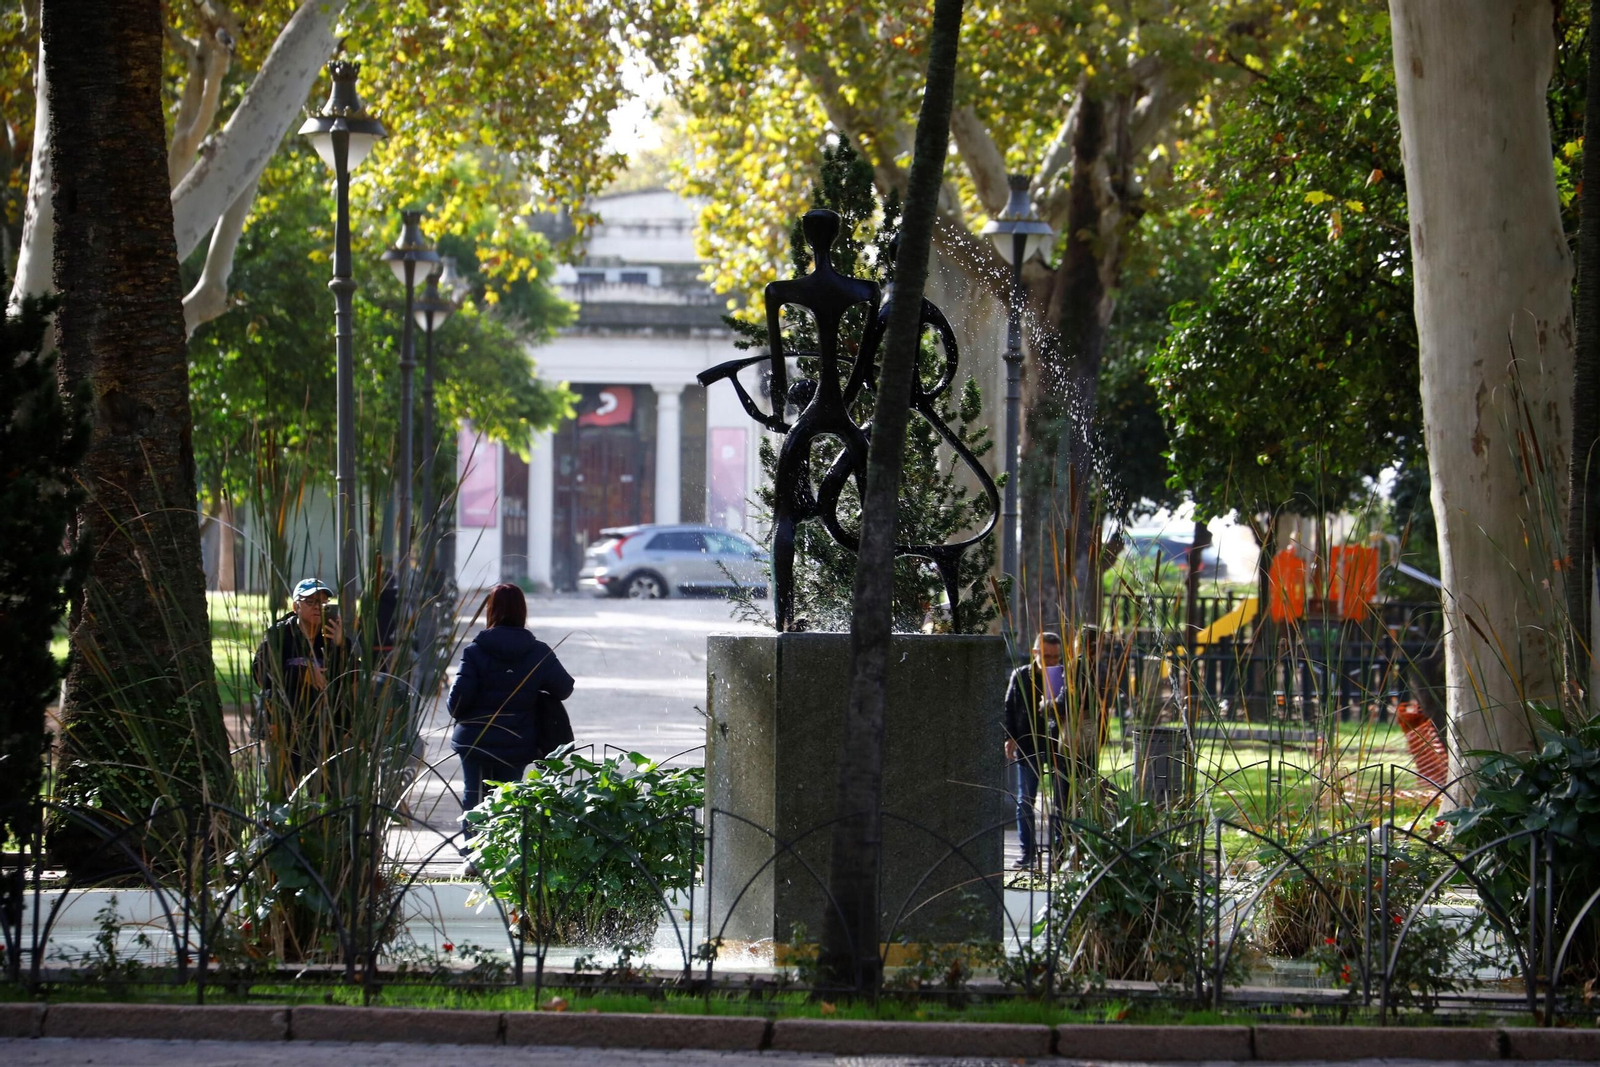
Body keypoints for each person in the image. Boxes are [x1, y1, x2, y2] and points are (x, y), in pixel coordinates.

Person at [447, 583, 574, 830]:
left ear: (491, 611)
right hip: (517, 738)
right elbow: (564, 688)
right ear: (522, 611)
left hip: (474, 739)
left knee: (473, 797)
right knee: (510, 799)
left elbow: (457, 702)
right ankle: (503, 858)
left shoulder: (474, 652)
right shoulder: (539, 653)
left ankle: (472, 859)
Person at [252, 577, 354, 795]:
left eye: (323, 602)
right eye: (310, 601)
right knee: (280, 791)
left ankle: (321, 826)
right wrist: (302, 672)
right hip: (285, 727)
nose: (318, 607)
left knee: (325, 792)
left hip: (324, 728)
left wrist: (340, 647)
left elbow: (351, 678)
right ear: (295, 606)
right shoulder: (279, 635)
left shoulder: (335, 638)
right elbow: (261, 674)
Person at [1003, 632, 1067, 869]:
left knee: (1061, 801)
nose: (1052, 661)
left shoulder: (1063, 674)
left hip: (1057, 743)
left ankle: (1060, 853)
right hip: (1029, 744)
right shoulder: (1021, 675)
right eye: (1047, 656)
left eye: (1056, 657)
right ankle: (1028, 853)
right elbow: (1008, 707)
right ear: (1035, 652)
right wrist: (1009, 737)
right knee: (1026, 800)